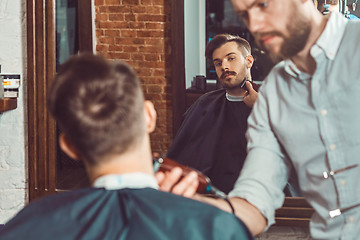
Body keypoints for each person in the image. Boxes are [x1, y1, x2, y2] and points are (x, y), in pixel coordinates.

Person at [156, 0, 360, 238]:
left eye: (262, 4)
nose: (255, 25)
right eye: (245, 14)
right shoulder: (275, 92)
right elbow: (257, 197)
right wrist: (191, 207)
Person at [0, 54, 254, 240]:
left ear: (69, 146)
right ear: (149, 116)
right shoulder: (217, 228)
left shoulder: (28, 226)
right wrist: (195, 208)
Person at [166, 34, 258, 194]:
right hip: (212, 197)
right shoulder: (204, 105)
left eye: (231, 58)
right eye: (218, 63)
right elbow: (181, 157)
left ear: (248, 61)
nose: (224, 66)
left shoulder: (270, 102)